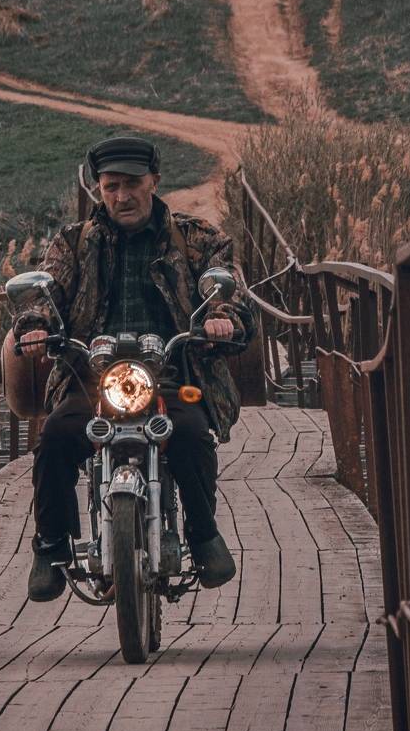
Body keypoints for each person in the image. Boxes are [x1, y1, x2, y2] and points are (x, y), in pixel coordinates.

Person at [14, 135, 258, 603]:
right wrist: (35, 325)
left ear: (154, 182)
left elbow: (228, 288)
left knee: (190, 434)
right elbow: (47, 293)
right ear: (99, 189)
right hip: (93, 377)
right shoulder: (73, 242)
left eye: (132, 184)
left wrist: (221, 317)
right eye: (111, 186)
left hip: (172, 372)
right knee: (56, 438)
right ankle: (50, 546)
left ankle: (204, 535)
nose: (122, 196)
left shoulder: (198, 239)